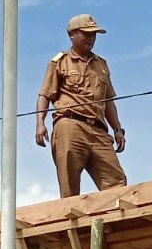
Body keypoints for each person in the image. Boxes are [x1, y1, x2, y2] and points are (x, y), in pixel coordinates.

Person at [35, 13, 127, 198]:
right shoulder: (60, 62)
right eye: (87, 33)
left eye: (94, 34)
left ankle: (112, 226)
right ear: (72, 34)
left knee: (117, 185)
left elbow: (108, 101)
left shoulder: (101, 64)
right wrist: (40, 123)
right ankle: (72, 227)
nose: (91, 38)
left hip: (99, 130)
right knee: (69, 187)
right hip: (70, 125)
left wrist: (117, 129)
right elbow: (45, 94)